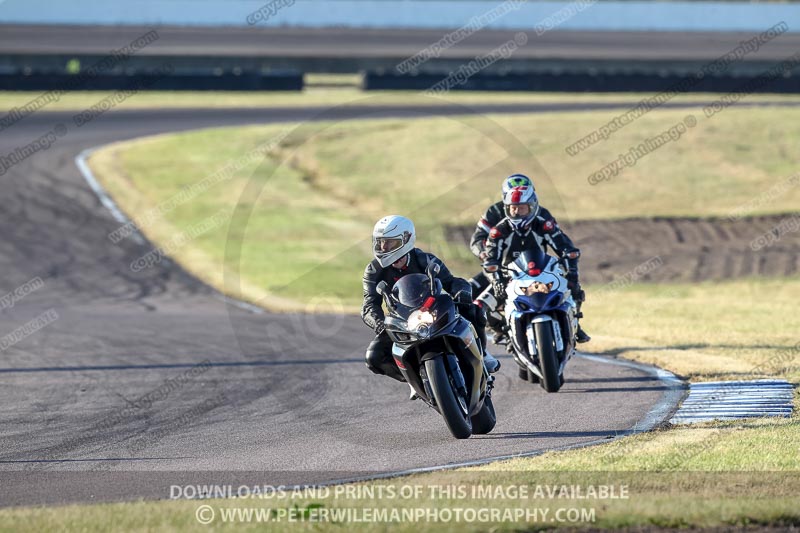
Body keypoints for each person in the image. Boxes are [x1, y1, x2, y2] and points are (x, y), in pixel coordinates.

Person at [362, 215, 500, 398]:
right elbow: (369, 304)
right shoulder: (373, 270)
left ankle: (483, 354)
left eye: (390, 243)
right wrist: (378, 323)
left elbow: (452, 282)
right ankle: (413, 379)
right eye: (380, 243)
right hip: (402, 320)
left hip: (433, 309)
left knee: (473, 310)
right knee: (374, 357)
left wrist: (462, 292)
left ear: (406, 239)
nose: (384, 248)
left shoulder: (423, 259)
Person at [474, 177, 590, 343]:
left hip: (542, 271)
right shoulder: (497, 230)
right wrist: (496, 277)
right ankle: (502, 329)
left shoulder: (544, 223)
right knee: (478, 307)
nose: (517, 212)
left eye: (522, 208)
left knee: (574, 287)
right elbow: (488, 258)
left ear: (532, 206)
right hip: (509, 276)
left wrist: (571, 272)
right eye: (513, 208)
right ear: (506, 206)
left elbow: (566, 248)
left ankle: (575, 325)